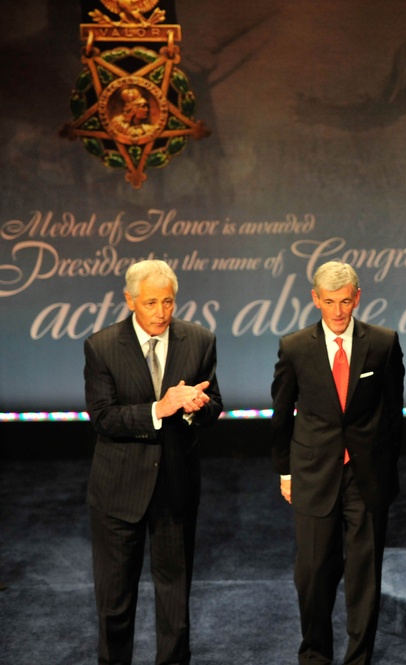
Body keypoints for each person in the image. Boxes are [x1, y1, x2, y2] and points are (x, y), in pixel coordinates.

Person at [84, 259, 222, 665]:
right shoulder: (102, 346)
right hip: (118, 490)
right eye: (150, 303)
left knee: (175, 607)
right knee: (114, 606)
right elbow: (104, 417)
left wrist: (196, 407)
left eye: (168, 301)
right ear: (129, 301)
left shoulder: (199, 340)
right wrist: (159, 409)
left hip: (175, 488)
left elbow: (216, 403)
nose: (161, 312)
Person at [271, 261, 405, 665]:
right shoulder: (294, 347)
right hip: (313, 473)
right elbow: (281, 414)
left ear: (357, 298)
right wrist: (285, 471)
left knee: (365, 574)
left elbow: (393, 412)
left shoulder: (382, 343)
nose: (338, 311)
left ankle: (359, 657)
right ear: (315, 299)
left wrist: (385, 468)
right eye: (329, 302)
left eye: (345, 301)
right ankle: (314, 654)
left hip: (366, 476)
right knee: (312, 573)